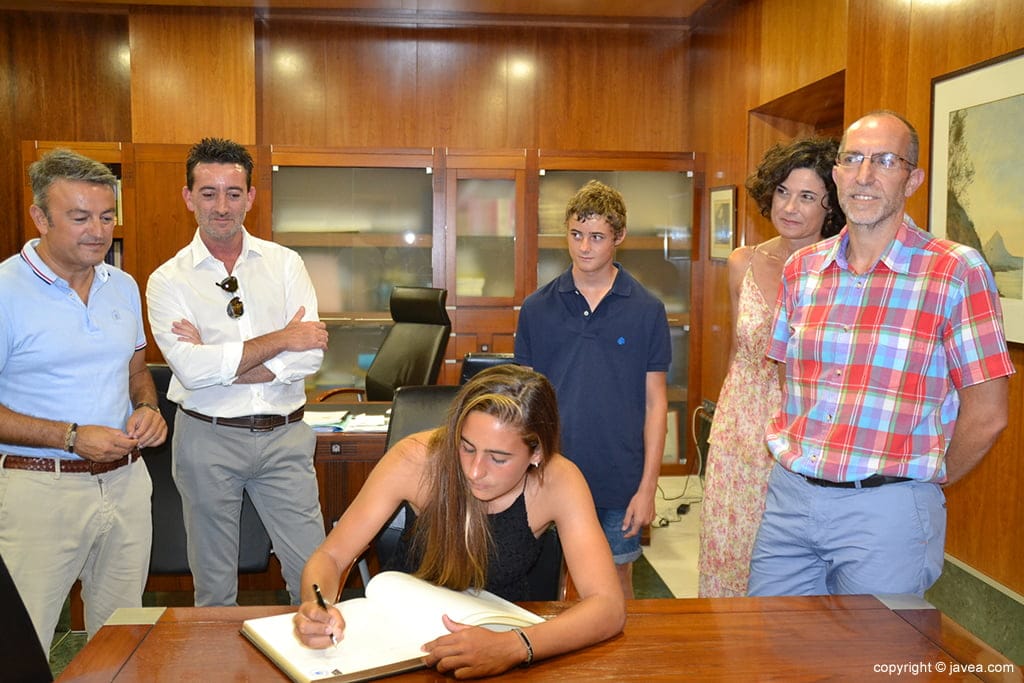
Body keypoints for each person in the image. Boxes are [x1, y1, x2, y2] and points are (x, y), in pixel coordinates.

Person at [747, 111, 1014, 597]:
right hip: (790, 500)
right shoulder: (802, 269)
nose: (864, 176)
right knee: (770, 657)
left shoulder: (955, 271)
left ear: (912, 178)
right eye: (852, 159)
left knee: (876, 664)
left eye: (885, 161)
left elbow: (989, 414)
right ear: (837, 173)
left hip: (887, 512)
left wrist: (922, 480)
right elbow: (796, 385)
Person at [294, 365, 625, 678]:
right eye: (466, 448)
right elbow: (332, 556)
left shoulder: (558, 481)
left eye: (498, 458)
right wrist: (316, 604)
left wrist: (514, 646)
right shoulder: (415, 460)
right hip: (402, 640)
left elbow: (608, 606)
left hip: (503, 636)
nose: (475, 470)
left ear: (536, 453)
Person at [146, 138, 329, 607]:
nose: (221, 206)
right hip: (207, 440)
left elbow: (309, 356)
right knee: (214, 587)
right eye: (208, 193)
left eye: (233, 192)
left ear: (250, 196)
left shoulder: (286, 264)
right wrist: (281, 340)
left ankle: (315, 673)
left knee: (313, 576)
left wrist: (219, 358)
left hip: (285, 437)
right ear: (189, 197)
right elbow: (188, 368)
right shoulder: (169, 279)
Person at [0, 148, 168, 652]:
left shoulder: (122, 285)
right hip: (38, 489)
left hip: (126, 485)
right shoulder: (6, 289)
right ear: (39, 217)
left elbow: (136, 370)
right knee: (22, 643)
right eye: (79, 217)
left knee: (122, 640)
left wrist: (149, 409)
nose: (98, 230)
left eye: (107, 215)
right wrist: (71, 437)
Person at [698, 137, 845, 597]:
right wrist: (721, 423)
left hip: (805, 430)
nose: (791, 207)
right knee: (728, 552)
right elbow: (739, 351)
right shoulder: (743, 262)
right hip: (739, 430)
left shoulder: (841, 269)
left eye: (807, 197)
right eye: (783, 191)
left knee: (787, 565)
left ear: (830, 206)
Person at [514, 179, 670, 599]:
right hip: (547, 473)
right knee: (546, 585)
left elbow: (656, 405)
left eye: (597, 237)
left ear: (618, 238)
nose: (584, 247)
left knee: (615, 586)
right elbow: (523, 402)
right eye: (576, 235)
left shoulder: (647, 310)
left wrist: (647, 487)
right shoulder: (535, 309)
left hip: (619, 478)